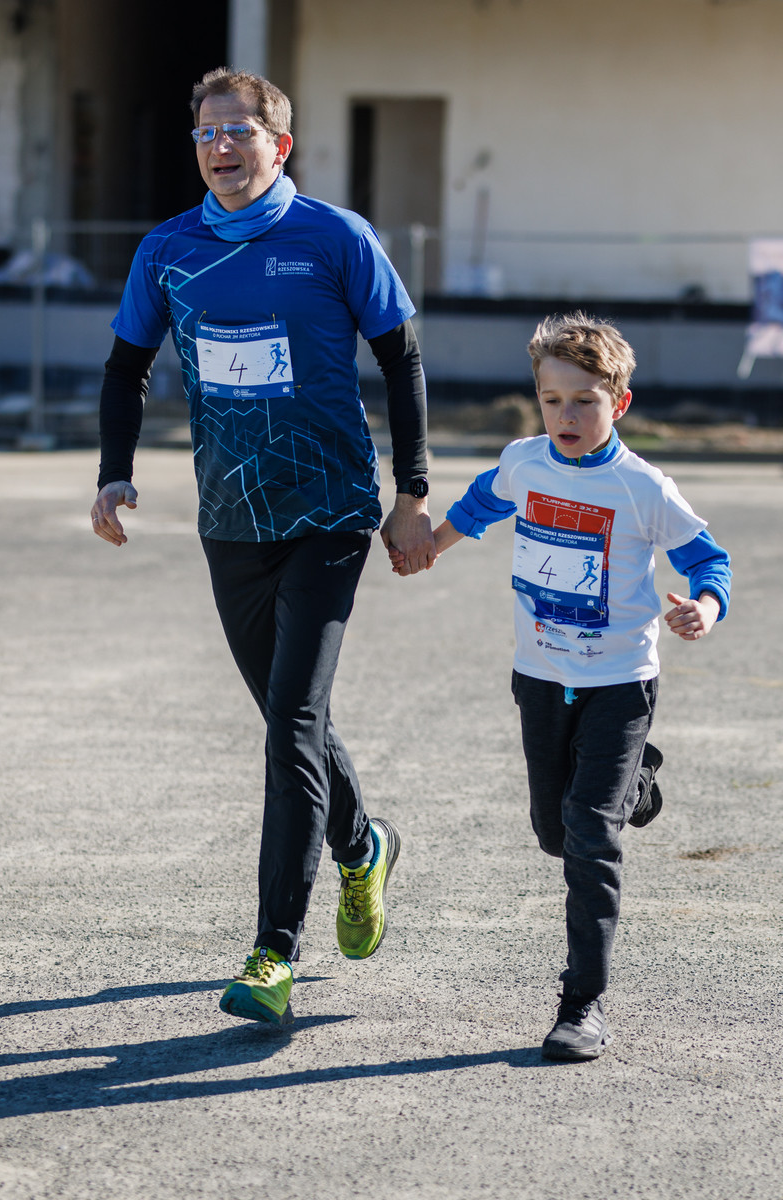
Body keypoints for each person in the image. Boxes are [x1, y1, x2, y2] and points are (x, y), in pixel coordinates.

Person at [91, 67, 436, 1026]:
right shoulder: (169, 249)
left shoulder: (336, 236)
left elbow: (401, 357)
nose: (220, 146)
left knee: (291, 725)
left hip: (330, 513)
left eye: (239, 130)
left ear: (279, 145)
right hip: (231, 520)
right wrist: (114, 471)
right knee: (295, 721)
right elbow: (126, 367)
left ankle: (271, 953)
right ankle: (363, 847)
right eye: (207, 132)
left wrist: (411, 493)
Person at [390, 312, 731, 1061]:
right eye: (552, 400)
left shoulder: (643, 487)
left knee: (589, 834)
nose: (566, 416)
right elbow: (480, 504)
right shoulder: (524, 463)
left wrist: (704, 608)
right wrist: (431, 546)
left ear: (620, 403)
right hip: (541, 679)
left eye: (585, 400)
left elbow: (710, 560)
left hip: (619, 684)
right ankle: (638, 786)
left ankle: (583, 1004)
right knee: (555, 832)